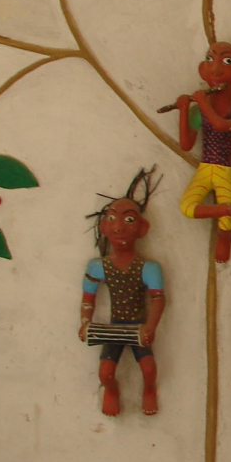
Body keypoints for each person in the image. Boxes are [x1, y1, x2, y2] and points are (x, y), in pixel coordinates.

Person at [79, 168, 165, 416]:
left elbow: (158, 299)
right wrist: (85, 322)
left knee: (149, 369)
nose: (119, 227)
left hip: (137, 328)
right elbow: (88, 298)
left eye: (128, 220)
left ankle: (149, 390)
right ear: (104, 227)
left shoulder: (148, 268)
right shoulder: (98, 266)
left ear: (142, 228)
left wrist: (150, 326)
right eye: (112, 219)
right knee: (105, 373)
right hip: (114, 328)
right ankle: (112, 390)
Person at [172, 41, 231, 262]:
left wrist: (203, 104)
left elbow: (221, 125)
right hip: (204, 169)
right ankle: (226, 208)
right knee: (187, 207)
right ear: (202, 69)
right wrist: (185, 109)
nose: (216, 69)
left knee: (228, 223)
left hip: (224, 170)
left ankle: (224, 238)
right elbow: (186, 145)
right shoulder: (199, 110)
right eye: (210, 60)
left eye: (227, 61)